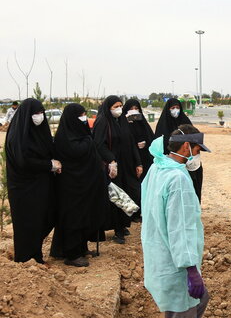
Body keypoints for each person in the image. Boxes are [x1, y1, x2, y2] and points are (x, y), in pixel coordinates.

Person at [140, 125, 210, 318]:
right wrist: (191, 268)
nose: (197, 156)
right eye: (196, 150)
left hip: (159, 258)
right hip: (176, 264)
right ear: (185, 148)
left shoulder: (157, 169)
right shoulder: (178, 180)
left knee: (199, 301)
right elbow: (180, 229)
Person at [50, 103, 109, 267]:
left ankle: (81, 248)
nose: (83, 118)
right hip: (72, 186)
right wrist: (89, 142)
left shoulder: (82, 134)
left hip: (85, 185)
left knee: (84, 216)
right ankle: (71, 254)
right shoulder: (64, 138)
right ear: (71, 118)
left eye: (84, 114)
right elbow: (76, 152)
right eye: (80, 115)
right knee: (73, 219)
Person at [5, 98, 58, 263]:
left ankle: (36, 255)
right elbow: (24, 161)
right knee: (27, 223)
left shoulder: (39, 131)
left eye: (42, 112)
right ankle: (25, 259)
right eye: (36, 113)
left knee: (42, 219)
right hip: (23, 188)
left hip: (40, 185)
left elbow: (50, 148)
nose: (40, 116)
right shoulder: (17, 134)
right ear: (27, 114)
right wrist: (49, 165)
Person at [93, 95, 142, 244]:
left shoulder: (121, 122)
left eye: (120, 105)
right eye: (115, 106)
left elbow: (131, 142)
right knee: (115, 196)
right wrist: (111, 160)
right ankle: (117, 230)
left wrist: (138, 162)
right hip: (110, 167)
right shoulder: (103, 122)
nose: (119, 109)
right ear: (108, 108)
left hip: (125, 166)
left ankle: (122, 224)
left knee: (127, 193)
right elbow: (98, 143)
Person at [155, 98, 203, 201]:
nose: (175, 110)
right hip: (172, 164)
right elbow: (160, 146)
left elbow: (195, 142)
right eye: (172, 108)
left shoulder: (186, 122)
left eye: (177, 107)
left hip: (189, 161)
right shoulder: (163, 125)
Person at [123, 99, 155, 182]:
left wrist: (146, 143)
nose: (134, 111)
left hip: (144, 157)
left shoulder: (142, 123)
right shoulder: (123, 123)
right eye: (131, 109)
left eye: (136, 108)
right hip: (130, 158)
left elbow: (150, 137)